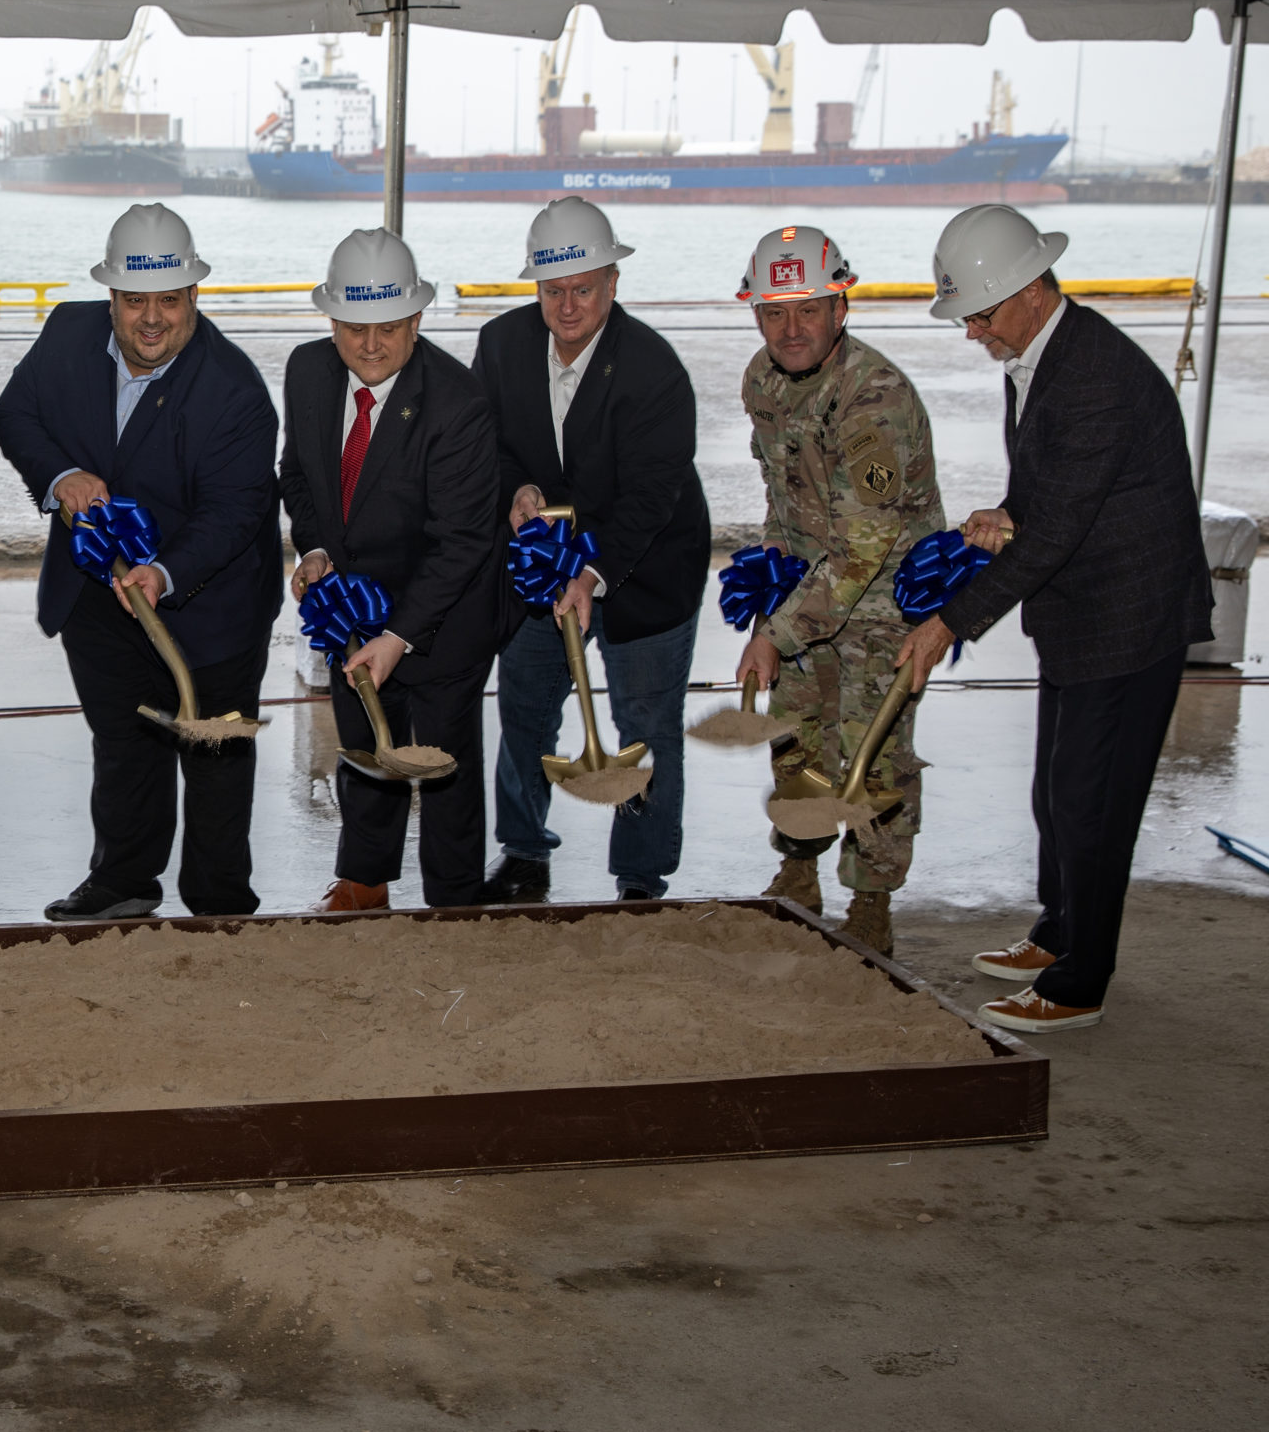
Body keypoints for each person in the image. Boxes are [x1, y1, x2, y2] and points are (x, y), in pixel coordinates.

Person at [900, 204, 1213, 1033]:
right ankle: (1058, 931)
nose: (972, 331)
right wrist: (1007, 512)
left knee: (1092, 802)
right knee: (1055, 793)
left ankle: (1081, 980)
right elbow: (1050, 496)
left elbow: (1059, 536)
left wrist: (948, 623)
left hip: (1130, 616)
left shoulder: (1094, 377)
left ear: (1033, 289)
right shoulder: (1041, 352)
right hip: (1083, 612)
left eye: (981, 312)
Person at [0, 204, 281, 921]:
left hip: (210, 605)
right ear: (111, 296)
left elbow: (236, 511)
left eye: (169, 300)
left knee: (214, 761)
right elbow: (15, 414)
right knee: (124, 744)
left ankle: (218, 903)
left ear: (194, 297)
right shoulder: (67, 332)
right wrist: (61, 476)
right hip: (100, 597)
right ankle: (123, 880)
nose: (152, 319)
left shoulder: (236, 392)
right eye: (134, 300)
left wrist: (165, 571)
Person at [472, 197, 709, 903]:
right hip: (544, 569)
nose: (567, 304)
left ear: (613, 281)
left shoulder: (654, 370)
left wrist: (596, 571)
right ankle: (523, 853)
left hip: (645, 569)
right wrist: (514, 489)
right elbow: (487, 446)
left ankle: (640, 874)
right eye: (553, 289)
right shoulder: (501, 344)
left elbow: (650, 497)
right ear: (535, 287)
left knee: (644, 724)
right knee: (525, 705)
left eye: (583, 287)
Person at [731, 226, 943, 955]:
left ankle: (872, 901)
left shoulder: (872, 400)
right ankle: (798, 872)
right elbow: (784, 495)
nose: (791, 329)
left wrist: (776, 633)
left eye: (809, 310)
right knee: (795, 738)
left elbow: (863, 550)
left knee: (871, 754)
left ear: (840, 306)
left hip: (882, 600)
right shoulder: (762, 381)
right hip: (806, 589)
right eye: (774, 312)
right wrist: (768, 572)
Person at [279, 229, 504, 912]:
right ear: (331, 321)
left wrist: (401, 634)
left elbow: (462, 541)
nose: (370, 345)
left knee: (441, 763)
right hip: (355, 607)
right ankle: (363, 881)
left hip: (446, 611)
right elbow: (300, 474)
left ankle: (455, 901)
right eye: (353, 327)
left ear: (416, 319)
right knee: (363, 746)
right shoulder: (307, 371)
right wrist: (314, 547)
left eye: (388, 327)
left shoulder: (458, 405)